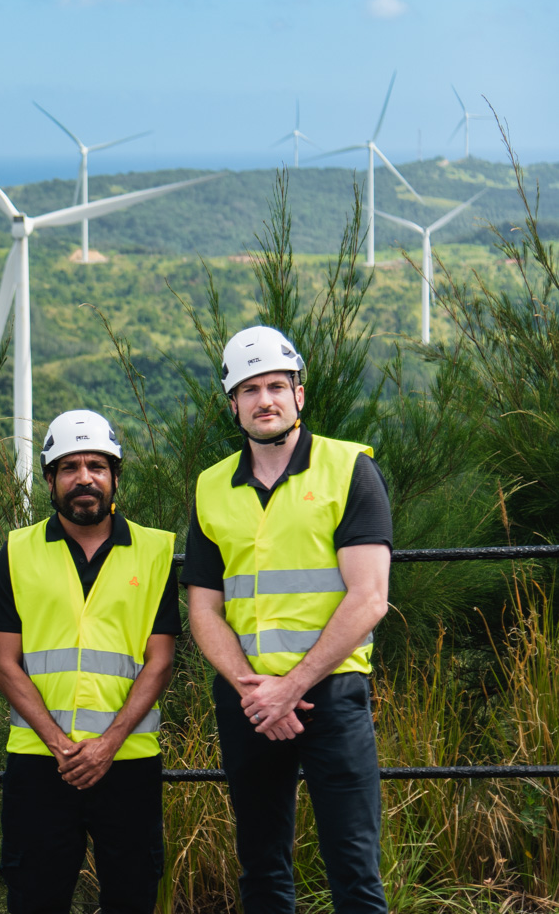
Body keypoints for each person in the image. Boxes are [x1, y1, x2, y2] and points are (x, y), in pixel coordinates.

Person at [185, 326, 392, 914]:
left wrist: (290, 688)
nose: (265, 400)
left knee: (354, 868)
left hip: (330, 695)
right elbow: (204, 608)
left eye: (277, 385)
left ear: (300, 393)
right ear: (233, 404)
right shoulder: (210, 488)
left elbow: (369, 597)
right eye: (249, 390)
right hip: (248, 701)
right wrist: (256, 691)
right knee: (262, 868)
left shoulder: (349, 468)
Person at [0, 409, 178, 914]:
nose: (84, 478)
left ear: (115, 476)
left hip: (129, 760)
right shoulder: (18, 551)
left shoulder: (156, 553)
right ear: (49, 479)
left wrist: (107, 745)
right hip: (39, 760)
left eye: (97, 465)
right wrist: (59, 744)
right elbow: (5, 662)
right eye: (69, 467)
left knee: (133, 896)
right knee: (34, 899)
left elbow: (160, 661)